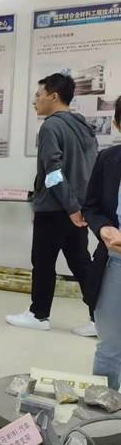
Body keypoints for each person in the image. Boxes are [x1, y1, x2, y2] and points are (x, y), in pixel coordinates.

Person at [6, 73, 98, 334]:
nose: (35, 101)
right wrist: (78, 207)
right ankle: (101, 318)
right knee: (81, 264)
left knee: (43, 262)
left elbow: (53, 172)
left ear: (53, 96)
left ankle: (39, 315)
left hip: (56, 208)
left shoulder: (50, 127)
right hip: (77, 209)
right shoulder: (84, 126)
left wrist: (69, 206)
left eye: (39, 95)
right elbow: (89, 168)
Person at [83, 95, 121, 389]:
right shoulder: (109, 160)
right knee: (109, 347)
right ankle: (104, 408)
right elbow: (92, 206)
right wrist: (104, 227)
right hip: (114, 262)